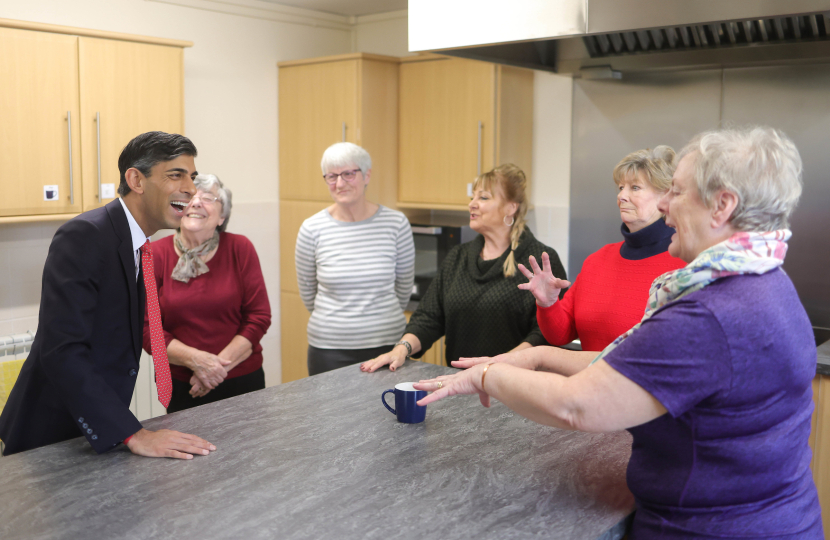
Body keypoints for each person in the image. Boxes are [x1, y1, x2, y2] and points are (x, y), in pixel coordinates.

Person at [415, 127, 822, 539]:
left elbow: (576, 407)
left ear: (722, 206)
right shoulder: (762, 279)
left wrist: (486, 376)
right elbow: (636, 369)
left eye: (676, 192)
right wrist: (537, 356)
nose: (664, 204)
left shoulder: (708, 314)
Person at [0, 131, 216, 460]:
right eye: (176, 174)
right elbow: (62, 350)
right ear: (136, 180)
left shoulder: (140, 245)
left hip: (100, 433)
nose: (190, 188)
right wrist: (133, 433)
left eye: (192, 176)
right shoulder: (85, 235)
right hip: (51, 437)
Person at [464, 147, 685, 376]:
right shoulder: (598, 261)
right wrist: (548, 303)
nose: (622, 196)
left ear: (666, 196)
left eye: (635, 188)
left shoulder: (685, 266)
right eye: (621, 188)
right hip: (588, 399)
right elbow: (560, 334)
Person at [361, 164, 567, 373]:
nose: (472, 205)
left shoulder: (540, 261)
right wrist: (401, 348)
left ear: (510, 207)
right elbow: (428, 318)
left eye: (483, 198)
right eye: (472, 198)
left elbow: (546, 332)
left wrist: (499, 365)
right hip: (459, 381)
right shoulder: (458, 258)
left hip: (517, 383)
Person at [143, 174, 271, 412]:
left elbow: (258, 317)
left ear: (222, 216)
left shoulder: (240, 248)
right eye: (189, 196)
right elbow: (148, 329)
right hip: (183, 384)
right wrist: (198, 363)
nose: (197, 202)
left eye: (208, 198)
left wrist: (213, 371)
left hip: (241, 380)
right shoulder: (154, 255)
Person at [295, 142, 415, 375]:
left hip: (388, 346)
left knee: (388, 410)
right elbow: (308, 291)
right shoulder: (311, 229)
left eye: (348, 174)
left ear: (367, 175)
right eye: (331, 176)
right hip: (328, 349)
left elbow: (403, 287)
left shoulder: (396, 224)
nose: (339, 183)